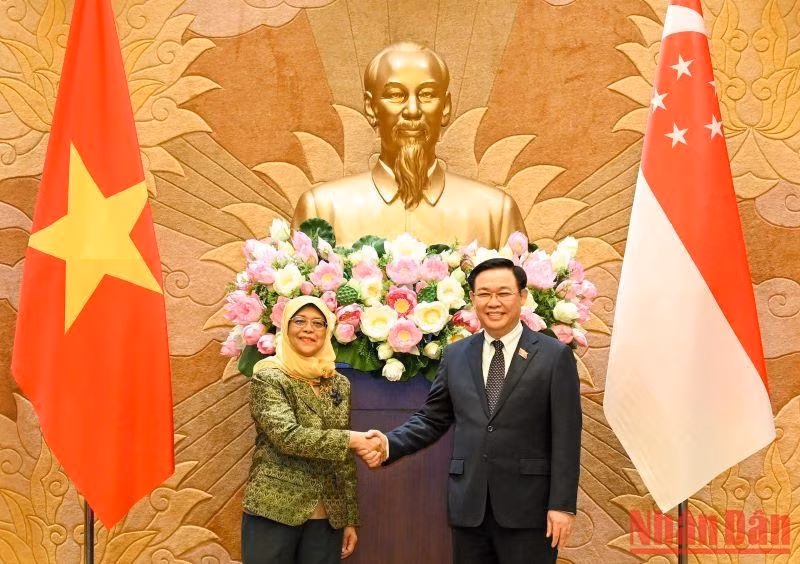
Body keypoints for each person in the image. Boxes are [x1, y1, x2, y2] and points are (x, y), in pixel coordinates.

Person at [361, 258, 581, 564]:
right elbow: (433, 418)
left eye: (503, 293)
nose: (493, 302)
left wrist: (562, 505)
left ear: (523, 297)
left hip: (529, 509)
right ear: (473, 299)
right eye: (483, 294)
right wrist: (389, 443)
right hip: (469, 506)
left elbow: (567, 437)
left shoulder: (554, 355)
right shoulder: (456, 354)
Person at [291, 41, 526, 248]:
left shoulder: (495, 214)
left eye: (427, 95)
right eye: (395, 95)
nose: (413, 111)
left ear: (445, 108)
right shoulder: (322, 209)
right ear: (371, 108)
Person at [241, 296, 382, 563]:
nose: (309, 329)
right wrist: (351, 440)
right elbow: (287, 437)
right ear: (285, 327)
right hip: (274, 509)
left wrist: (348, 518)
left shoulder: (337, 382)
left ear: (327, 332)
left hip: (328, 517)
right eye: (300, 321)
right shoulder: (269, 377)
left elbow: (342, 457)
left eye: (318, 323)